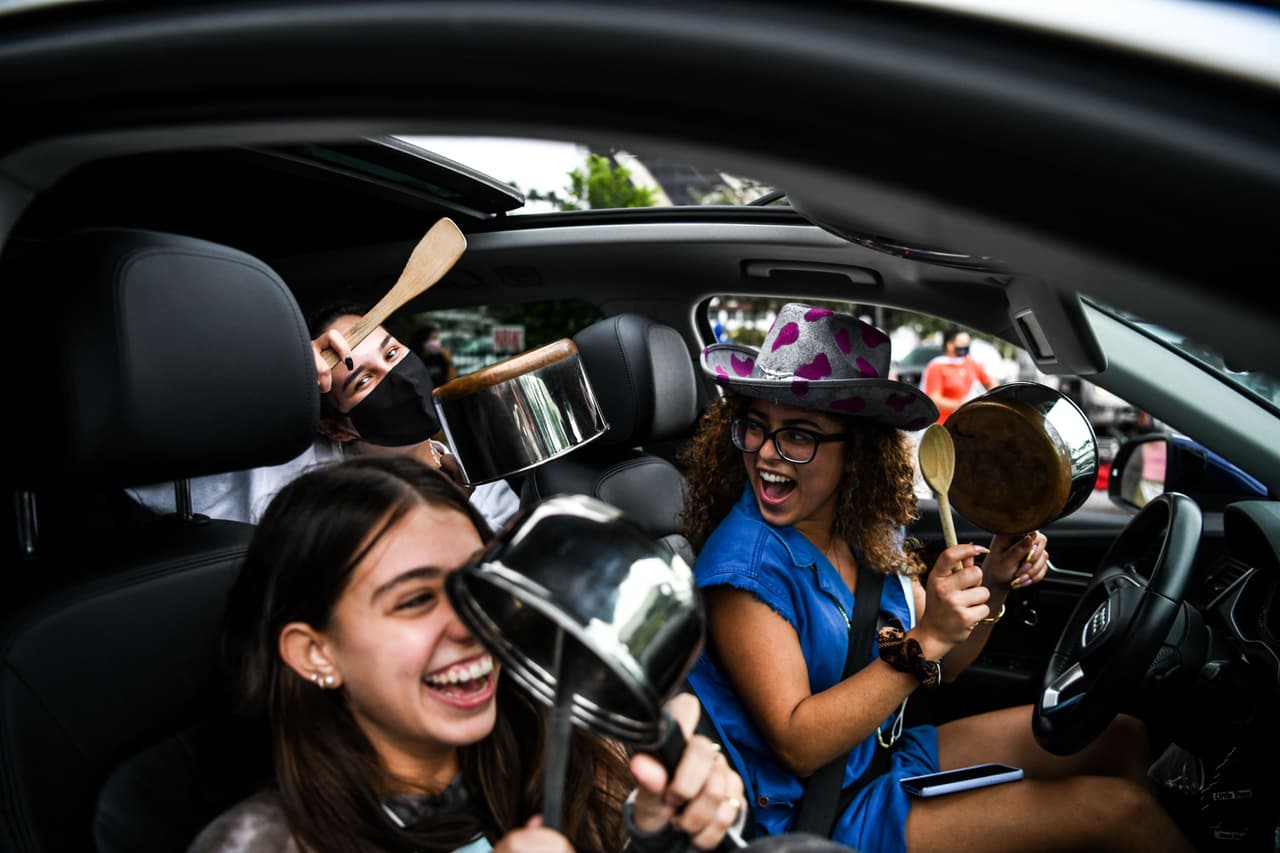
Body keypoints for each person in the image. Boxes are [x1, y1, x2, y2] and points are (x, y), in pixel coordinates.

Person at [680, 303, 1194, 852]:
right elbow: (798, 744)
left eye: (799, 436)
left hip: (883, 758)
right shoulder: (743, 569)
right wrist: (928, 638)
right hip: (821, 813)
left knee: (1121, 735)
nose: (766, 454)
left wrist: (991, 585)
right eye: (755, 427)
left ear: (858, 451)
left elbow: (942, 670)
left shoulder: (863, 528)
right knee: (1121, 814)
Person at [189, 454, 748, 853]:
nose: (472, 625)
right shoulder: (261, 843)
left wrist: (656, 830)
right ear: (316, 653)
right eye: (413, 600)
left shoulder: (564, 749)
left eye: (475, 586)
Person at [129, 302, 520, 532]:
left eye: (391, 353)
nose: (395, 378)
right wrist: (270, 383)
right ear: (336, 427)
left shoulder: (477, 476)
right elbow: (150, 460)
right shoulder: (282, 482)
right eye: (364, 379)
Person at [920, 326, 997, 424]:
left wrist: (994, 397)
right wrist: (961, 404)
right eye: (962, 343)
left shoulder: (970, 362)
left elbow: (990, 381)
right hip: (945, 424)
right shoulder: (936, 366)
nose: (965, 346)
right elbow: (934, 400)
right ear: (949, 344)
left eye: (967, 343)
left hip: (968, 422)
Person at [414, 322, 459, 387]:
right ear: (423, 340)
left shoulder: (439, 357)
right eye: (433, 338)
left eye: (436, 338)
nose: (437, 342)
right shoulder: (416, 360)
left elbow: (451, 380)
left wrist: (449, 361)